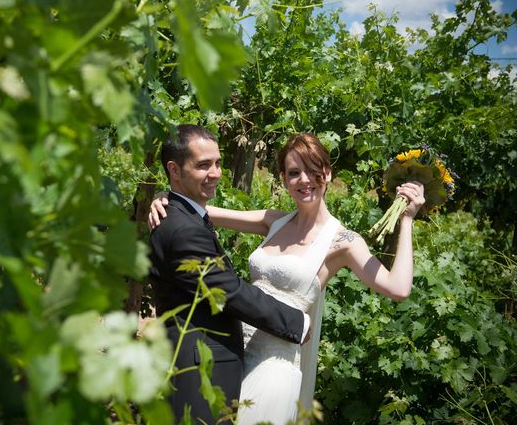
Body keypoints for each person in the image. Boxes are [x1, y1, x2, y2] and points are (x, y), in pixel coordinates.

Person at [149, 132, 425, 425]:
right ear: (283, 178)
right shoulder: (272, 220)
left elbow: (399, 288)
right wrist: (164, 197)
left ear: (328, 173)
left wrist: (407, 220)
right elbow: (196, 211)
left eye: (313, 171)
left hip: (275, 366)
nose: (304, 180)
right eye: (294, 173)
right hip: (232, 356)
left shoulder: (343, 241)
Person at [148, 125, 312, 425]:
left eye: (218, 162)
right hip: (199, 371)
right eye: (203, 165)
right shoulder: (182, 227)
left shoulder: (180, 214)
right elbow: (227, 290)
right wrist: (297, 322)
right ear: (174, 169)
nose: (216, 173)